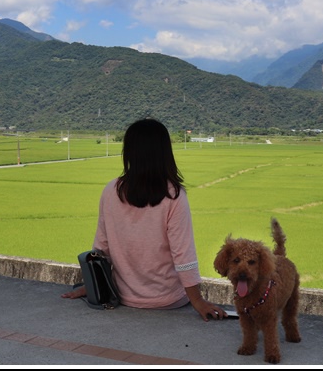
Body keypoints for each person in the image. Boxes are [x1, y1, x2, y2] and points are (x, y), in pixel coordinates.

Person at [61, 117, 228, 321]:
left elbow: (100, 249)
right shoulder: (173, 196)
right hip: (169, 300)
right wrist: (198, 301)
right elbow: (183, 255)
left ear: (129, 152)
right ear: (165, 154)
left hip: (123, 296)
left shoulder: (111, 191)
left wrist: (91, 286)